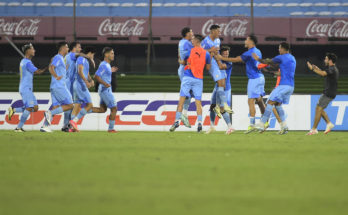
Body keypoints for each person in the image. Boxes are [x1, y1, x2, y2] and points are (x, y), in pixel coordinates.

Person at [216, 35, 265, 134]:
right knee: (259, 100)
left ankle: (252, 125)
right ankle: (265, 121)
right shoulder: (258, 51)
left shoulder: (249, 52)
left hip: (254, 78)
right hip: (260, 77)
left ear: (251, 41)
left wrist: (221, 57)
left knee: (250, 101)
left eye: (247, 39)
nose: (245, 41)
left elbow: (237, 59)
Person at [170, 35, 211, 132]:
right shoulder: (207, 54)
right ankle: (200, 124)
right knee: (198, 103)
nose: (191, 41)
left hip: (188, 77)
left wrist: (180, 60)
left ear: (196, 41)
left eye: (193, 40)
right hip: (199, 79)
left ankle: (176, 121)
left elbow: (183, 61)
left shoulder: (190, 51)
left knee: (181, 100)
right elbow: (208, 68)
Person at [252, 42, 296, 134]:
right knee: (278, 104)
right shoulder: (292, 58)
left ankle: (261, 123)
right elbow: (283, 73)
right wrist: (270, 72)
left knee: (269, 102)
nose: (278, 50)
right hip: (291, 86)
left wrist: (258, 59)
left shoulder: (282, 57)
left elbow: (268, 61)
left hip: (283, 85)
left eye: (279, 48)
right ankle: (284, 126)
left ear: (284, 49)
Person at [7, 43, 46, 132]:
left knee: (35, 108)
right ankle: (18, 127)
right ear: (28, 51)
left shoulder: (23, 61)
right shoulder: (27, 62)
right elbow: (38, 72)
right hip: (26, 88)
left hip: (27, 88)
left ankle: (14, 110)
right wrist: (49, 67)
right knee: (29, 107)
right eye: (33, 49)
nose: (34, 50)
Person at [40, 42, 74, 132]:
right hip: (59, 86)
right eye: (67, 47)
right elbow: (51, 67)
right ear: (62, 48)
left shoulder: (60, 58)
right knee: (70, 105)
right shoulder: (58, 57)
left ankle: (45, 126)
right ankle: (49, 113)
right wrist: (56, 76)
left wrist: (63, 70)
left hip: (54, 87)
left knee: (55, 107)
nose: (68, 49)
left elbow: (55, 67)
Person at [201, 24, 233, 118]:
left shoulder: (218, 40)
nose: (220, 33)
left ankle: (219, 105)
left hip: (216, 62)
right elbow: (200, 52)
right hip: (209, 62)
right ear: (213, 31)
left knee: (222, 82)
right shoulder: (205, 41)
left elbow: (217, 53)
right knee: (220, 82)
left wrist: (219, 63)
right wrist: (210, 50)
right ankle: (222, 106)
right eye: (218, 31)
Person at [306, 53, 339, 135]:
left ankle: (314, 129)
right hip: (328, 92)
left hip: (328, 93)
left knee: (318, 109)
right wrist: (318, 69)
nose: (325, 60)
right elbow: (325, 74)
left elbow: (323, 74)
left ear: (330, 60)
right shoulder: (332, 69)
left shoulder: (332, 69)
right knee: (319, 108)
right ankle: (329, 123)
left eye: (326, 59)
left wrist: (312, 69)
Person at [206, 46, 235, 135]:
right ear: (221, 54)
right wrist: (212, 54)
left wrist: (217, 57)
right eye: (224, 54)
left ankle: (230, 127)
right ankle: (212, 126)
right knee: (212, 106)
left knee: (222, 107)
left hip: (225, 87)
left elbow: (221, 67)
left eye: (227, 54)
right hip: (217, 86)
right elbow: (209, 66)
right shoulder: (216, 60)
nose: (226, 55)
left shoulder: (229, 62)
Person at [69, 47, 96, 132]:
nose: (93, 57)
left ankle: (72, 127)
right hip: (80, 84)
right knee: (90, 105)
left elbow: (86, 72)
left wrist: (90, 80)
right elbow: (80, 71)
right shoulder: (82, 58)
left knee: (77, 105)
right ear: (90, 53)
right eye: (93, 55)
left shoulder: (85, 61)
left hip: (77, 84)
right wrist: (86, 81)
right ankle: (74, 121)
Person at [92, 47, 118, 133]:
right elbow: (96, 76)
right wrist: (104, 83)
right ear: (106, 54)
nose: (113, 55)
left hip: (104, 89)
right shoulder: (104, 65)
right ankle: (111, 129)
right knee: (114, 109)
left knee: (102, 109)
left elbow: (102, 73)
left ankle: (85, 110)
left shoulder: (106, 65)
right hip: (105, 89)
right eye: (112, 53)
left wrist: (110, 71)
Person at [177, 27, 194, 127]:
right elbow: (195, 53)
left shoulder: (181, 42)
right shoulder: (187, 43)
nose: (192, 33)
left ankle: (183, 114)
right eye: (191, 32)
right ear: (187, 33)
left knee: (188, 93)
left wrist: (181, 61)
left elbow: (180, 56)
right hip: (185, 70)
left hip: (183, 68)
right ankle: (181, 116)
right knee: (185, 93)